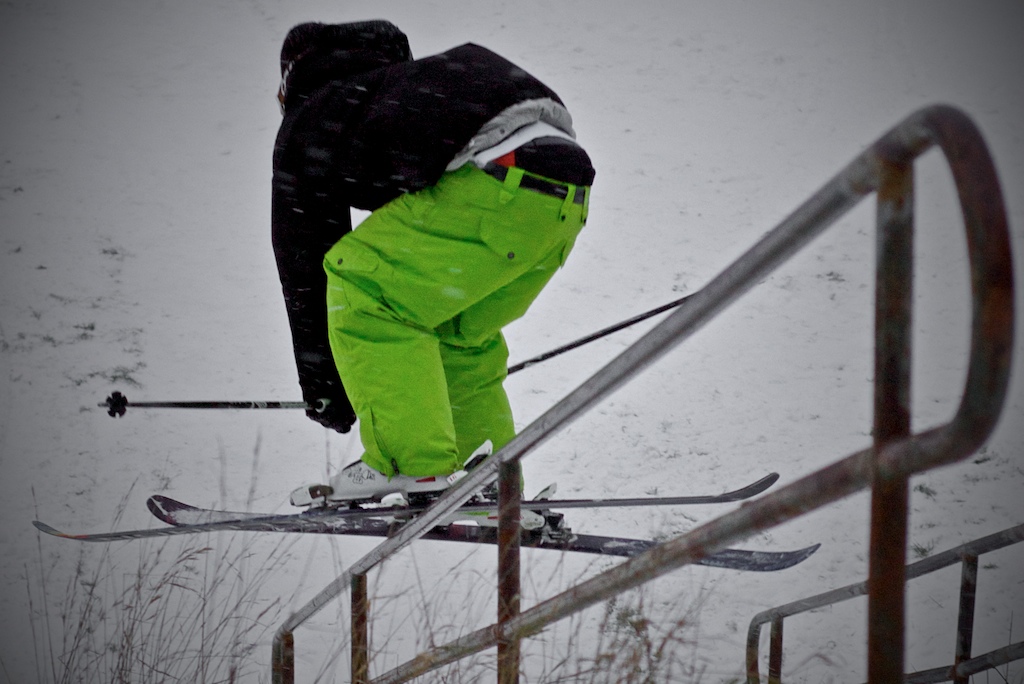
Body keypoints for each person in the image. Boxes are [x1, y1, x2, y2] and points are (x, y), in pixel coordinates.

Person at [272, 20, 594, 503]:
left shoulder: (318, 113)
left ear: (288, 82)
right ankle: (484, 479)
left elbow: (305, 254)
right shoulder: (405, 96)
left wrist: (326, 385)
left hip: (494, 180)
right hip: (562, 194)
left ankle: (410, 465)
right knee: (455, 330)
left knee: (361, 284)